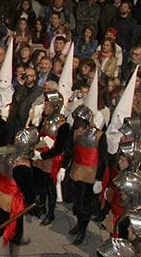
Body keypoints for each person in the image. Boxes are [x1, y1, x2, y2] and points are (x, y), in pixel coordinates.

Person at [0, 128, 38, 257]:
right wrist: (33, 203)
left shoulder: (7, 155)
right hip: (11, 201)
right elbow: (28, 190)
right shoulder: (22, 166)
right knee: (15, 233)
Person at [65, 104, 107, 245]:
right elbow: (71, 150)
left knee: (85, 204)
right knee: (77, 201)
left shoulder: (100, 136)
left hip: (90, 173)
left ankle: (83, 229)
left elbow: (102, 159)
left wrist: (99, 179)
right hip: (77, 170)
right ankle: (79, 223)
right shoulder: (76, 132)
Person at [33, 91, 71, 225]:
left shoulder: (63, 125)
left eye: (48, 104)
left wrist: (43, 155)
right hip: (39, 157)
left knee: (51, 188)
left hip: (50, 159)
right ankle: (40, 207)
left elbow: (60, 148)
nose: (45, 107)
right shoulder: (46, 119)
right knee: (40, 185)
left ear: (55, 106)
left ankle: (51, 213)